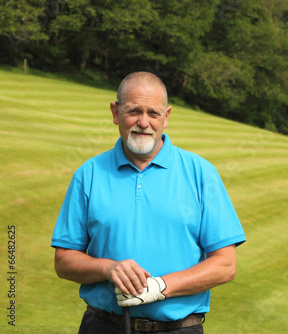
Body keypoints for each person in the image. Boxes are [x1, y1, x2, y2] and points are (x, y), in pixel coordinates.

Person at [51, 71, 246, 334]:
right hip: (103, 326)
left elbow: (225, 265)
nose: (144, 122)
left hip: (179, 329)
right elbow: (63, 261)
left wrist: (160, 287)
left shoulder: (201, 173)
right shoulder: (89, 174)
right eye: (133, 111)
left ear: (166, 117)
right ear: (115, 112)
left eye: (153, 113)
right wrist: (108, 268)